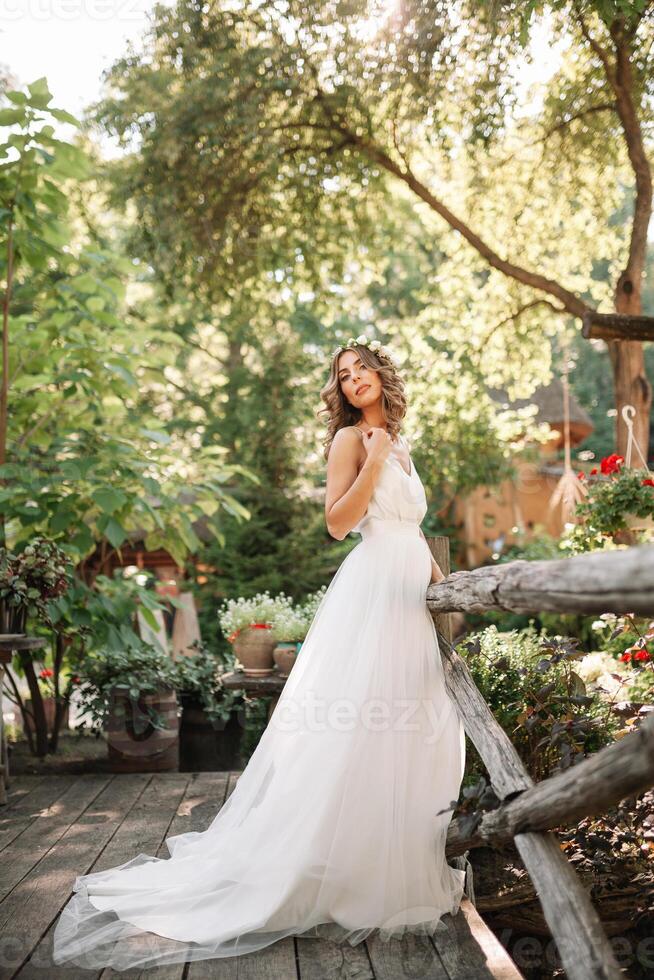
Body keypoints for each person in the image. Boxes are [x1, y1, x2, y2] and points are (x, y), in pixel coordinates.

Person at [52, 338, 467, 972]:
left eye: (362, 370)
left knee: (409, 725)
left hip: (409, 594)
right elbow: (337, 522)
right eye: (343, 376)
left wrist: (442, 585)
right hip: (370, 592)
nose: (354, 381)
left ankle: (394, 861)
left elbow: (411, 529)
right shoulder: (353, 441)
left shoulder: (400, 442)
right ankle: (338, 872)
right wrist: (373, 463)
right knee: (355, 725)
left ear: (384, 375)